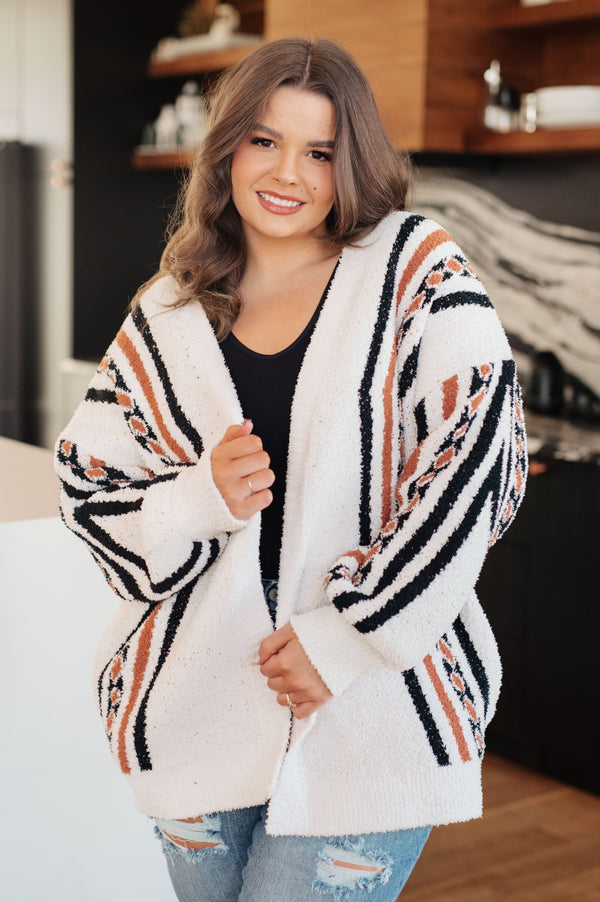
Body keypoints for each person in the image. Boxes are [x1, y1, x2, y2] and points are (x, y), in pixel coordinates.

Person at [55, 37, 527, 902]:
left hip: (372, 707)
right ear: (226, 146)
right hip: (195, 704)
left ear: (353, 165)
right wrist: (198, 498)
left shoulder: (414, 269)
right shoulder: (168, 308)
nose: (289, 174)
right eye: (265, 140)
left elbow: (481, 459)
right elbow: (88, 489)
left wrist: (349, 636)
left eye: (321, 152)